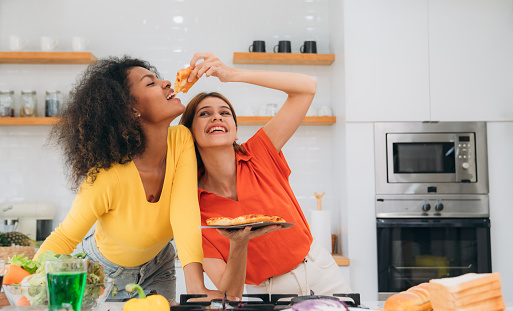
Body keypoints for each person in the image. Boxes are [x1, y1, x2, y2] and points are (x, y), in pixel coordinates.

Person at [35, 56, 225, 301]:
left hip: (159, 265)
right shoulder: (106, 176)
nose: (167, 83)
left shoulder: (181, 140)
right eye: (151, 83)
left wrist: (196, 288)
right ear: (130, 109)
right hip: (105, 272)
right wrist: (27, 284)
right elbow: (65, 237)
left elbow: (185, 214)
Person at [179, 52, 352, 299]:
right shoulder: (195, 207)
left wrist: (232, 74)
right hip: (267, 294)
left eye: (225, 112)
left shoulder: (260, 152)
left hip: (319, 272)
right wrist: (239, 244)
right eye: (204, 113)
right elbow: (229, 292)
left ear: (235, 129)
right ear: (190, 133)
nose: (217, 116)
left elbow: (307, 88)